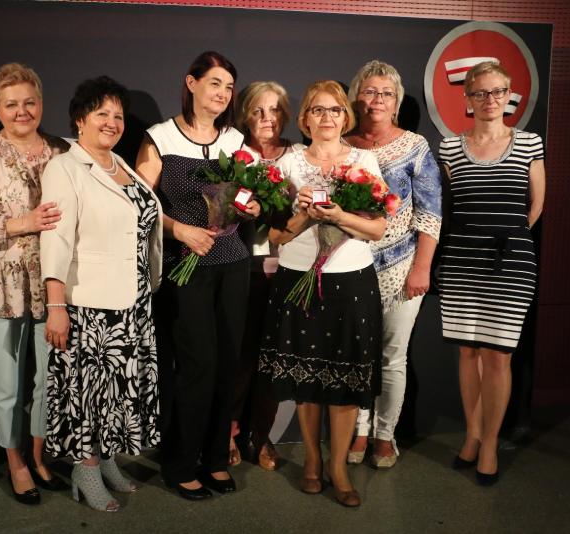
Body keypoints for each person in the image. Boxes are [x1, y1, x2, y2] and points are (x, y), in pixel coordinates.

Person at [135, 51, 260, 500]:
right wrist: (180, 230)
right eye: (214, 83)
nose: (223, 94)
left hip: (232, 263)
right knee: (195, 366)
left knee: (227, 363)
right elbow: (141, 205)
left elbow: (246, 196)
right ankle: (181, 463)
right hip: (184, 267)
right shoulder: (160, 138)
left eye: (229, 87)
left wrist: (252, 205)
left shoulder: (236, 139)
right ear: (191, 84)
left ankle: (214, 459)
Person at [260, 80, 386, 507]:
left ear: (346, 117)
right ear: (305, 119)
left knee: (346, 377)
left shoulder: (364, 161)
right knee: (306, 377)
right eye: (317, 110)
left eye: (334, 110)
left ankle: (338, 467)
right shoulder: (288, 163)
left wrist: (340, 215)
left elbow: (378, 229)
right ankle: (313, 461)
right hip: (298, 278)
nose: (327, 117)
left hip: (351, 281)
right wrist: (303, 216)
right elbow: (276, 236)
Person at [40, 76, 163, 512]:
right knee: (89, 394)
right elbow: (55, 239)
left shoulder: (120, 163)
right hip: (89, 306)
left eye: (118, 115)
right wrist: (56, 305)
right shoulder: (65, 167)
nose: (111, 122)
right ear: (80, 119)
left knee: (116, 392)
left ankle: (107, 459)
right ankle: (85, 469)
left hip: (133, 302)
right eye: (101, 113)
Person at [0, 63, 69, 505]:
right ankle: (15, 461)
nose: (22, 111)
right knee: (6, 384)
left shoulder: (61, 150)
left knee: (48, 379)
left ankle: (39, 455)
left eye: (29, 102)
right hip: (0, 287)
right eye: (11, 104)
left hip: (52, 285)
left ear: (41, 103)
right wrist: (24, 222)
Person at [438, 61, 545, 486]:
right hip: (462, 259)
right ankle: (472, 434)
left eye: (498, 91)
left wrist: (510, 236)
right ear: (467, 98)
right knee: (467, 353)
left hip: (511, 260)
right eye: (480, 92)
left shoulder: (529, 142)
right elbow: (448, 207)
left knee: (498, 356)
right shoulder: (449, 147)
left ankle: (489, 445)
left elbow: (536, 205)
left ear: (509, 95)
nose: (490, 99)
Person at [344, 60, 442, 468]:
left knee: (392, 356)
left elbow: (430, 213)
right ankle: (359, 430)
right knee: (355, 354)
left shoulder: (415, 147)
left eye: (386, 93)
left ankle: (385, 436)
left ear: (397, 101)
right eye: (370, 91)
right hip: (350, 264)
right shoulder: (342, 145)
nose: (378, 100)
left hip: (403, 266)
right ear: (356, 98)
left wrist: (422, 268)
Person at [229, 81, 302, 470]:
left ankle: (261, 438)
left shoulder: (298, 156)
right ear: (245, 115)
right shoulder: (234, 153)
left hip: (287, 271)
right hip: (244, 268)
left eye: (274, 110)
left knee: (272, 361)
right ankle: (229, 433)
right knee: (240, 359)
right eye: (257, 110)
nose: (266, 118)